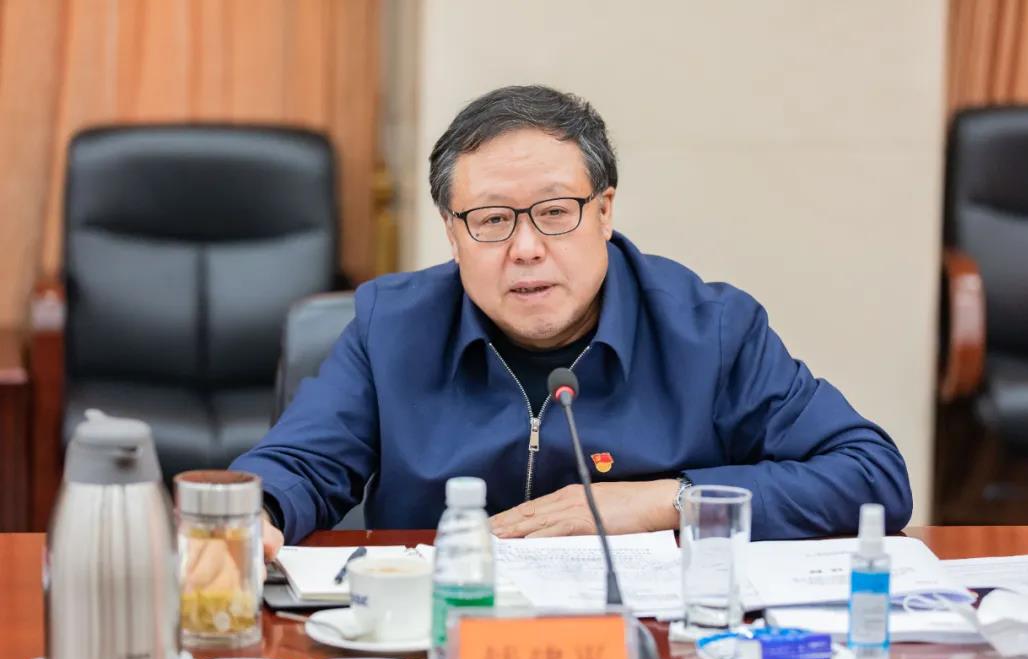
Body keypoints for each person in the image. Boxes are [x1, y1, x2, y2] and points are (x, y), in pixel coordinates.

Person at [233, 85, 912, 560]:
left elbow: (871, 474)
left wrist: (668, 501)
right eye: (492, 220)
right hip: (436, 642)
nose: (527, 247)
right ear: (452, 232)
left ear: (604, 212)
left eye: (556, 212)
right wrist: (252, 517)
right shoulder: (393, 327)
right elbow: (299, 463)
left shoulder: (709, 330)